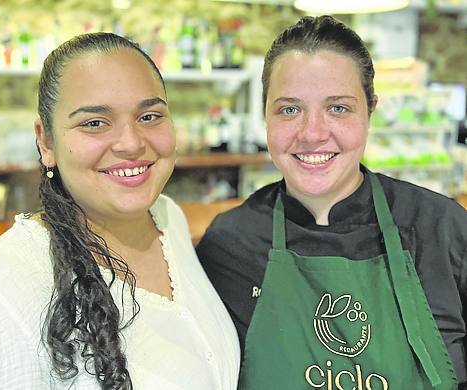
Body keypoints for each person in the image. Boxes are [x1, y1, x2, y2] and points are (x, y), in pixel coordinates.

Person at [196, 15, 467, 390]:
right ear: (265, 116)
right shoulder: (230, 244)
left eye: (338, 107)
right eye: (289, 109)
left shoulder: (442, 228)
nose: (313, 133)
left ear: (370, 110)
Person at [0, 32, 239, 389]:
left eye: (150, 116)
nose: (131, 143)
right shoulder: (0, 295)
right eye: (94, 122)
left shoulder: (169, 218)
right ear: (46, 141)